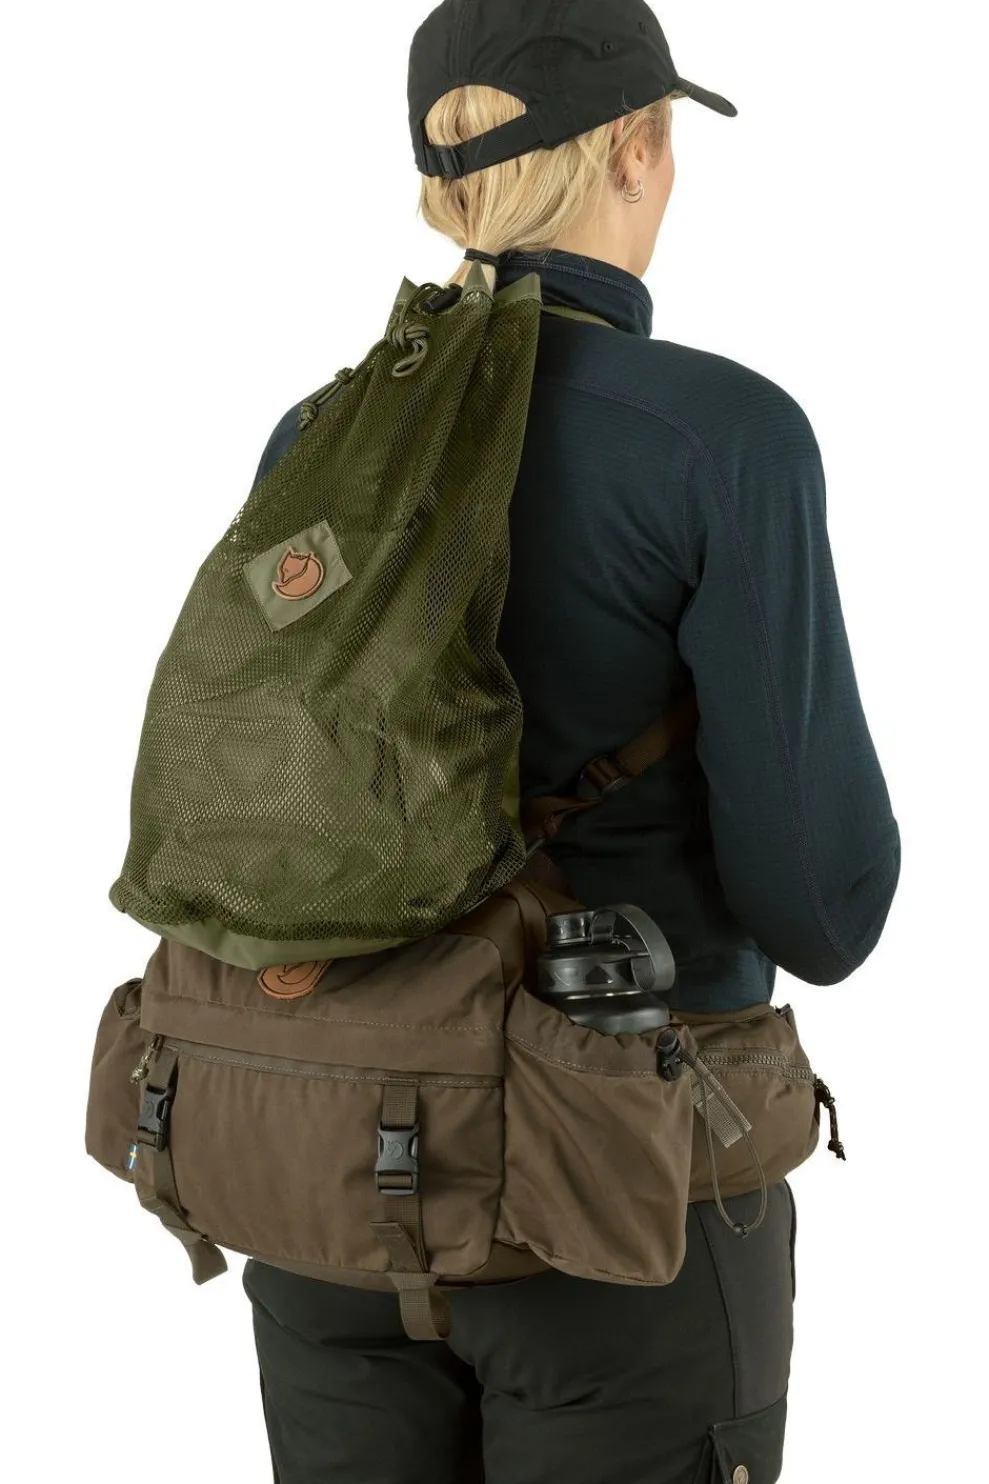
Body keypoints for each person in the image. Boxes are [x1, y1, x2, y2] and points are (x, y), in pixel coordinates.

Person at [241, 2, 901, 1480]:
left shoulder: (319, 434)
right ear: (634, 149)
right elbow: (826, 905)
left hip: (328, 1186)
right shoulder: (721, 436)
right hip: (617, 1202)